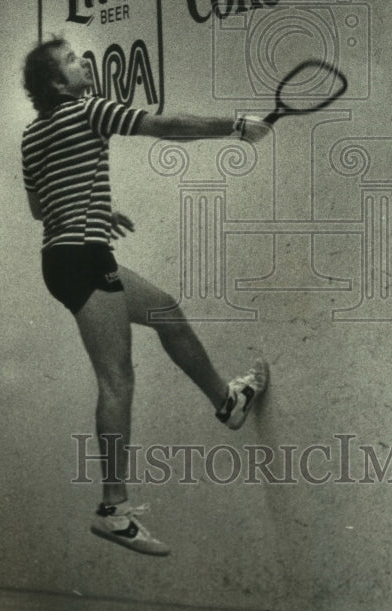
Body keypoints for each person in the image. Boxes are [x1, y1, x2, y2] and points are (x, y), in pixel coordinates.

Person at [21, 36, 270, 557]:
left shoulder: (32, 135)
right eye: (70, 61)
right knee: (117, 379)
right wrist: (236, 126)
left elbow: (40, 209)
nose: (82, 61)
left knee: (166, 312)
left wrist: (95, 210)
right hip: (83, 260)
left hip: (68, 258)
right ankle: (113, 508)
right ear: (55, 84)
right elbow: (163, 125)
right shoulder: (87, 110)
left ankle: (227, 402)